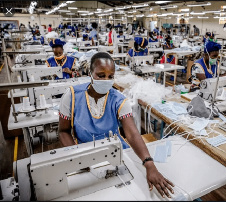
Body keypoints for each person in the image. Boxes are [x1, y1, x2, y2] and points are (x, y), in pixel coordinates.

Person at [58, 52, 175, 198]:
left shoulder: (119, 100)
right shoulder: (72, 96)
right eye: (101, 75)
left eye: (110, 76)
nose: (106, 80)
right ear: (90, 73)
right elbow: (63, 131)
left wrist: (149, 164)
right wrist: (78, 158)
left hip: (117, 153)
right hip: (85, 154)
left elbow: (132, 134)